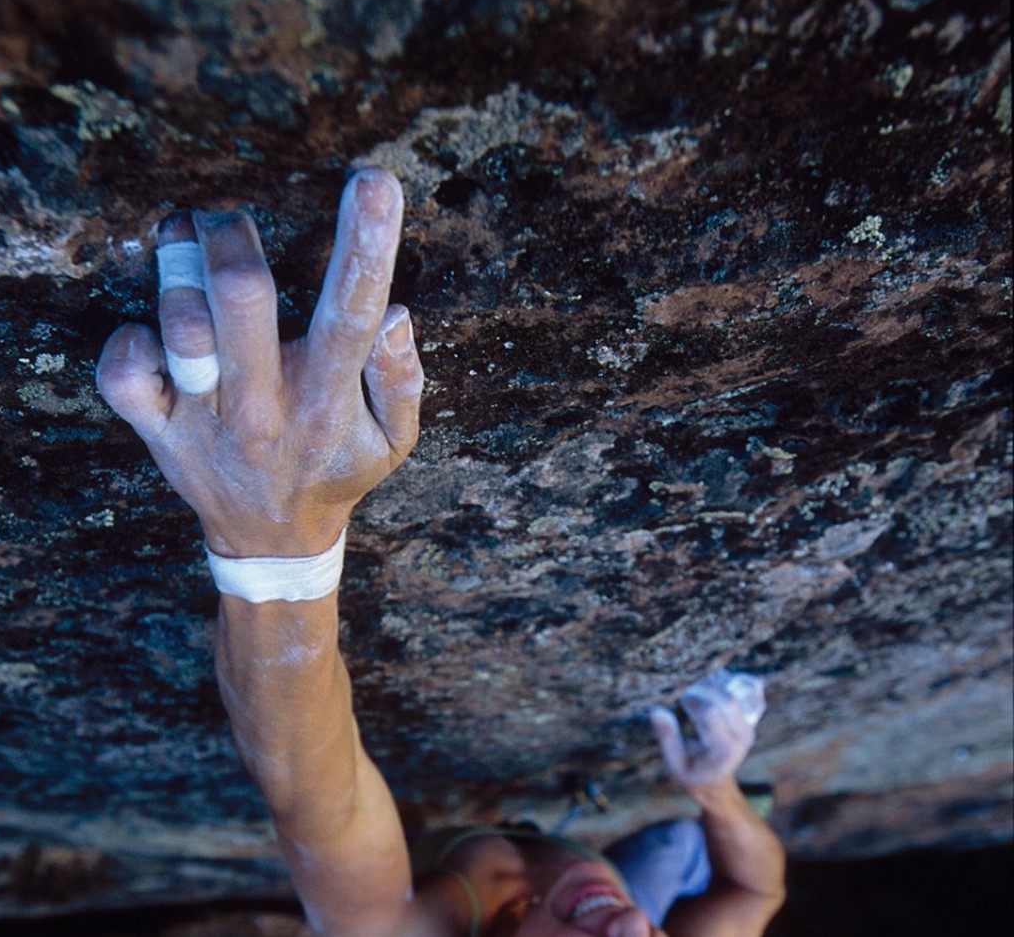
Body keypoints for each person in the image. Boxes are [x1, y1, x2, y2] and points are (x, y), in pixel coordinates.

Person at [96, 167, 786, 937]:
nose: (630, 932)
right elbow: (756, 897)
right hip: (612, 875)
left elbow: (312, 798)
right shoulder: (634, 922)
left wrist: (275, 548)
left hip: (464, 878)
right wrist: (717, 787)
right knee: (679, 845)